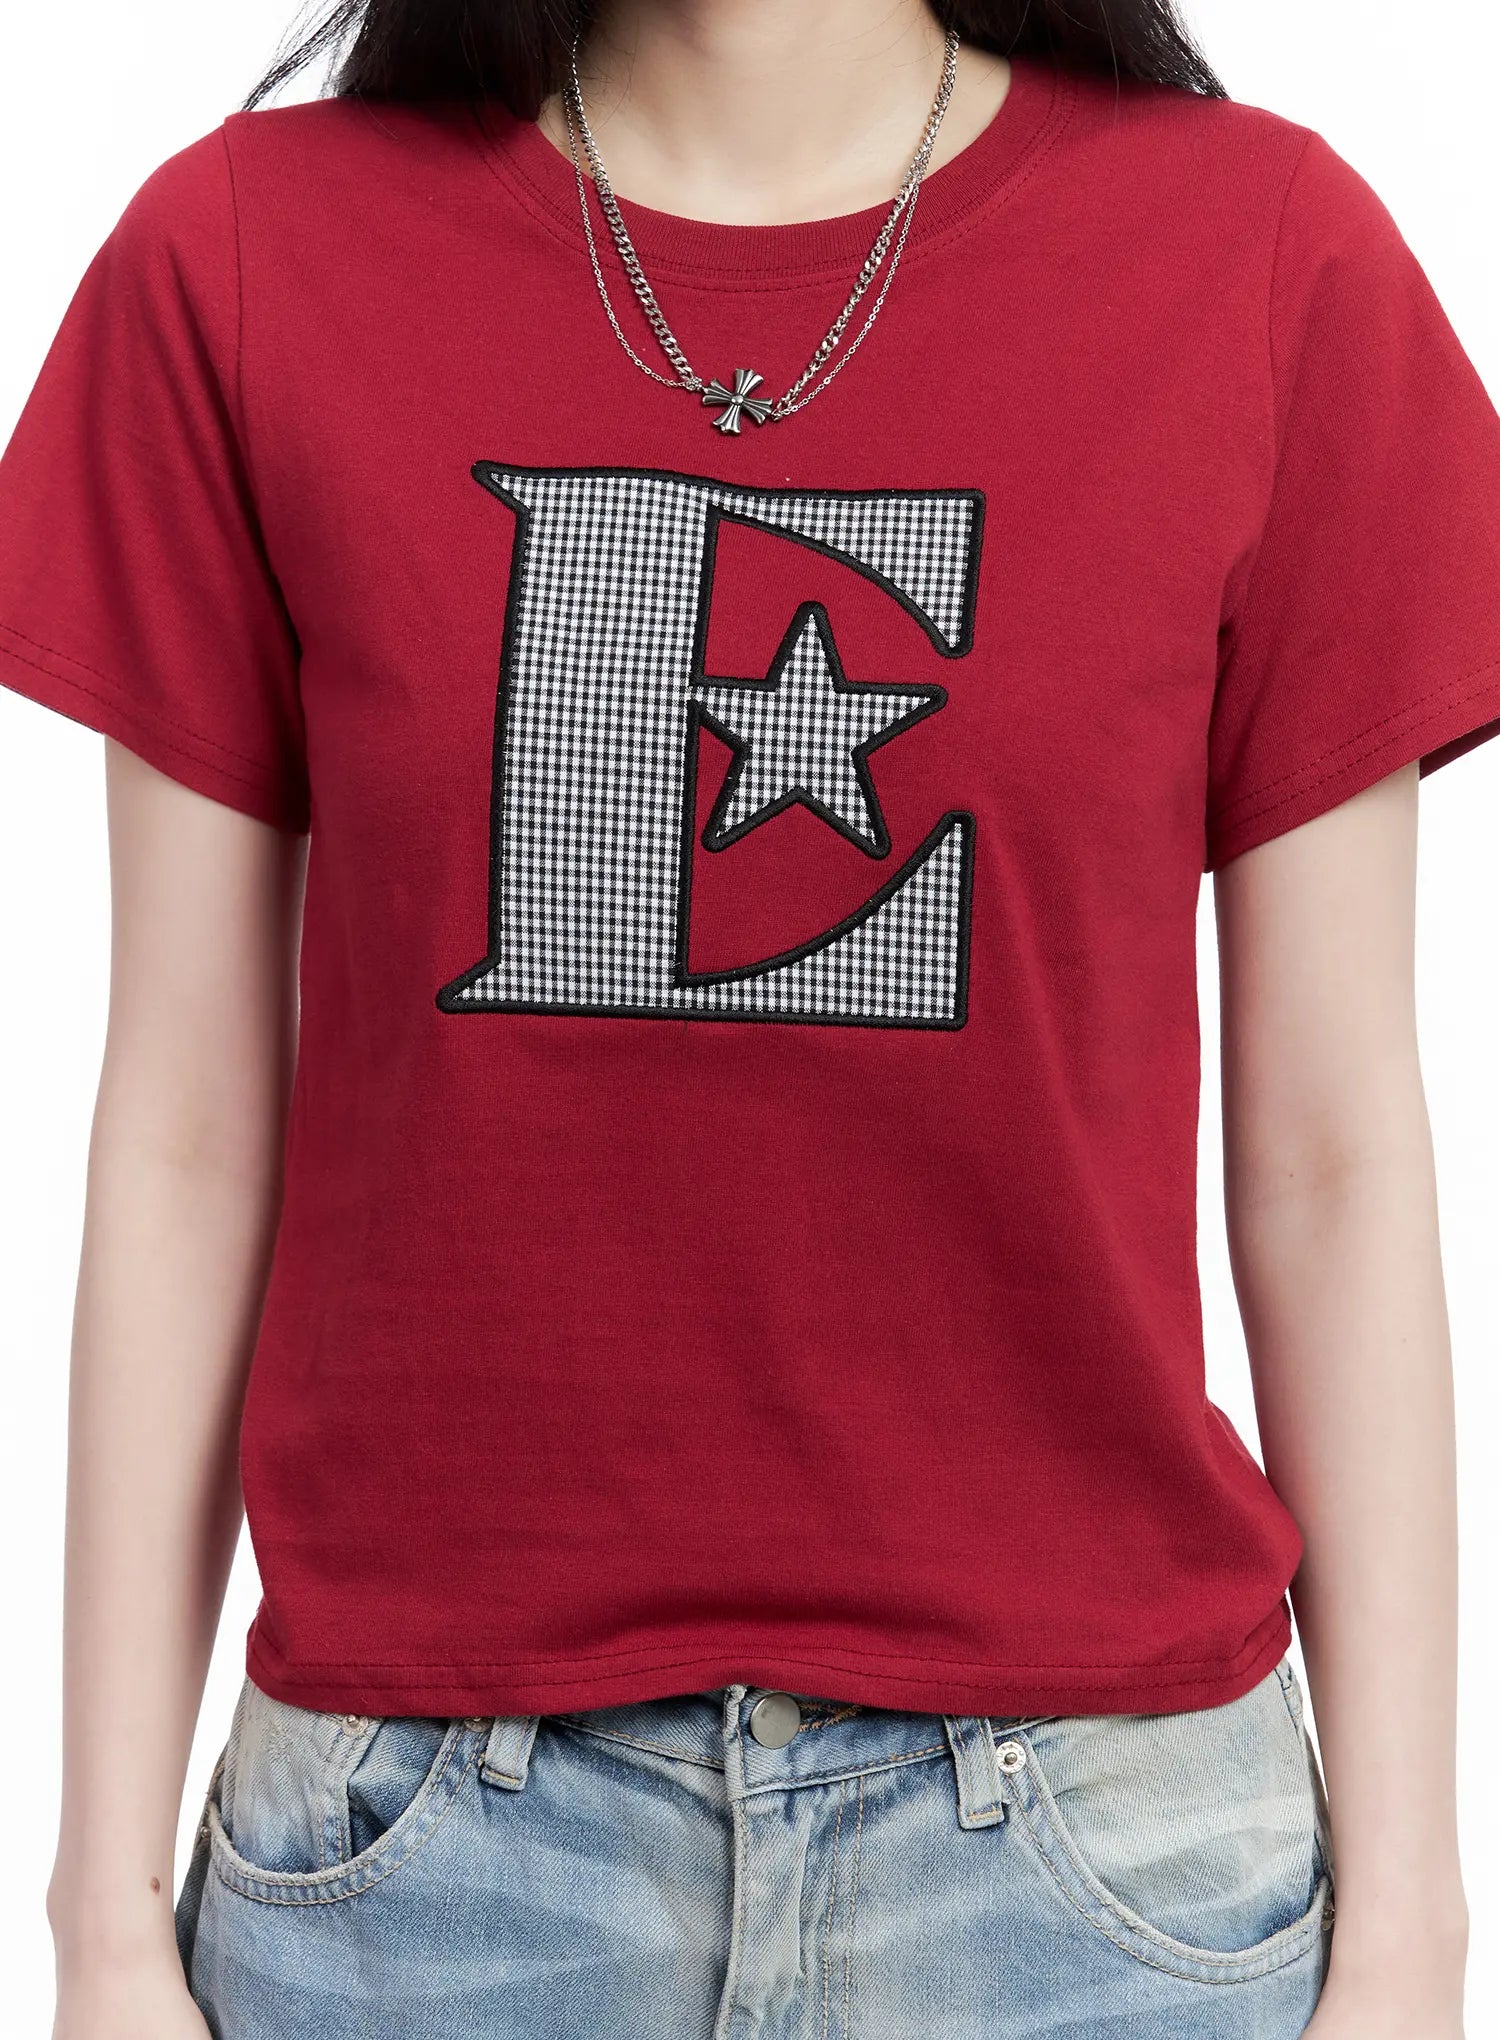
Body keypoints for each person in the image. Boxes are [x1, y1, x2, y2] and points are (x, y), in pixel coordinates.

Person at [5, 1, 1497, 2034]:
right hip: (421, 1861)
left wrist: (1414, 1927)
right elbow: (184, 1128)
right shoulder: (245, 262)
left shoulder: (1267, 265)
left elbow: (1335, 1156)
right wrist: (98, 1918)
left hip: (1099, 1870)